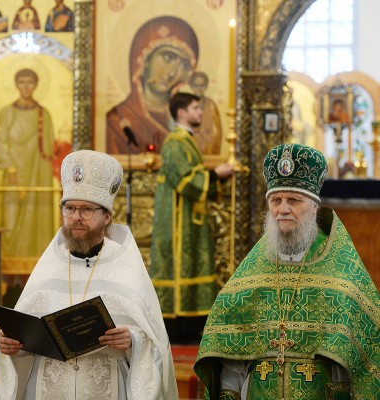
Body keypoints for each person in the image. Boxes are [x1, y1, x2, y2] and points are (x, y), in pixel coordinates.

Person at [194, 143, 380, 399]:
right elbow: (229, 356)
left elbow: (363, 367)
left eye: (294, 200)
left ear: (315, 207)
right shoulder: (251, 274)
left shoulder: (342, 275)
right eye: (276, 200)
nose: (283, 209)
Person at [0, 150, 178, 399]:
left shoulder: (127, 269)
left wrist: (133, 342)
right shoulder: (48, 268)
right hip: (48, 388)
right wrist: (11, 344)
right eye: (69, 208)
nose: (76, 217)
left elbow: (156, 346)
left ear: (107, 216)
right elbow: (28, 339)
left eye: (87, 210)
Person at [150, 92, 234, 344]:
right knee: (180, 265)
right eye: (196, 108)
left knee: (195, 263)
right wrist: (216, 174)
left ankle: (194, 324)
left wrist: (214, 177)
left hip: (189, 218)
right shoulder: (175, 142)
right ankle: (179, 329)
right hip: (178, 223)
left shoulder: (185, 140)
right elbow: (185, 179)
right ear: (182, 112)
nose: (200, 113)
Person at [106, 16, 198, 154]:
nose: (173, 73)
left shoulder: (188, 119)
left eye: (183, 65)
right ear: (144, 58)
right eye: (168, 57)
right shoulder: (118, 120)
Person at [0, 68, 55, 257]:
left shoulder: (44, 115)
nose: (26, 87)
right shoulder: (6, 113)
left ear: (36, 85)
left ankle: (38, 267)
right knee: (10, 222)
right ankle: (8, 267)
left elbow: (50, 150)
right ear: (16, 84)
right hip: (13, 176)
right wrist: (10, 167)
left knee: (36, 220)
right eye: (22, 82)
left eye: (30, 82)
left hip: (37, 176)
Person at [189, 71, 223, 155]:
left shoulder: (211, 105)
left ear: (206, 86)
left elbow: (217, 130)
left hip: (208, 146)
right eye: (196, 85)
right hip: (190, 145)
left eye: (202, 85)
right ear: (191, 86)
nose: (199, 89)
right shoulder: (187, 104)